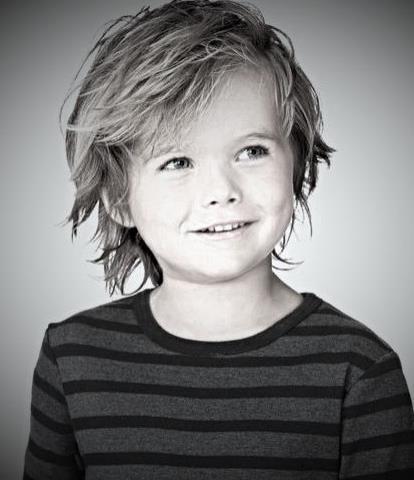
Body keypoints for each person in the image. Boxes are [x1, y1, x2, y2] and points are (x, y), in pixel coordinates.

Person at [22, 0, 414, 478]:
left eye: (252, 150)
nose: (221, 191)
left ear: (296, 164)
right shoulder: (72, 358)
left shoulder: (361, 370)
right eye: (177, 162)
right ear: (119, 200)